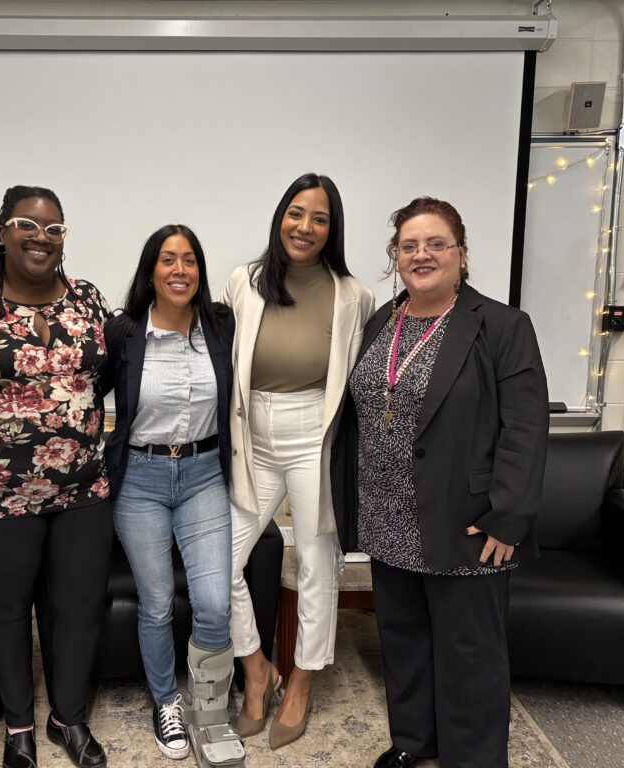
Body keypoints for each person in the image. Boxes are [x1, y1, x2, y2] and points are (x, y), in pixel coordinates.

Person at [331, 197, 548, 768]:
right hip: (389, 515)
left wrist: (510, 514)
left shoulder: (502, 326)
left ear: (462, 253)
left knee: (469, 651)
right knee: (403, 642)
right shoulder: (383, 321)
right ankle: (413, 743)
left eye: (435, 244)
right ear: (395, 257)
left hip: (466, 519)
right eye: (408, 245)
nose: (421, 254)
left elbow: (526, 427)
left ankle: (471, 757)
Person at [0, 185, 112, 768]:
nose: (41, 236)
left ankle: (69, 718)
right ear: (2, 232)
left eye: (54, 227)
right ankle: (17, 728)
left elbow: (99, 376)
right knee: (6, 607)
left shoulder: (87, 300)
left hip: (82, 486)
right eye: (27, 225)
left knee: (79, 604)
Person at [225, 173, 375, 749]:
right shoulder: (245, 280)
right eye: (296, 213)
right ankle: (257, 670)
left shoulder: (352, 294)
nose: (305, 227)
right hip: (253, 437)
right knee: (223, 563)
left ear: (332, 229)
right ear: (279, 217)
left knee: (318, 563)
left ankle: (303, 682)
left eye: (319, 218)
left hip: (316, 434)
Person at [103, 225, 243, 768]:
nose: (180, 270)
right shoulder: (124, 332)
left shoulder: (221, 324)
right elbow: (86, 394)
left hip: (205, 473)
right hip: (140, 479)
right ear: (151, 270)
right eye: (168, 260)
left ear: (200, 271)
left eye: (189, 260)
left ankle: (209, 713)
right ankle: (165, 702)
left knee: (212, 603)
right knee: (157, 604)